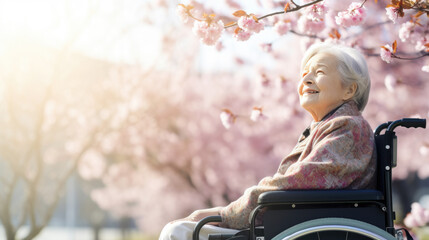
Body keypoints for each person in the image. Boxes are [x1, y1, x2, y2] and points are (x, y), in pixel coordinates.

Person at [159, 42, 377, 240]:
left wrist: (224, 214)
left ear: (349, 89)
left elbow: (301, 181)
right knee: (180, 227)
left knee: (178, 232)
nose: (306, 80)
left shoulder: (349, 126)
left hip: (305, 226)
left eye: (319, 72)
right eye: (304, 74)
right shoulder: (327, 127)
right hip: (290, 223)